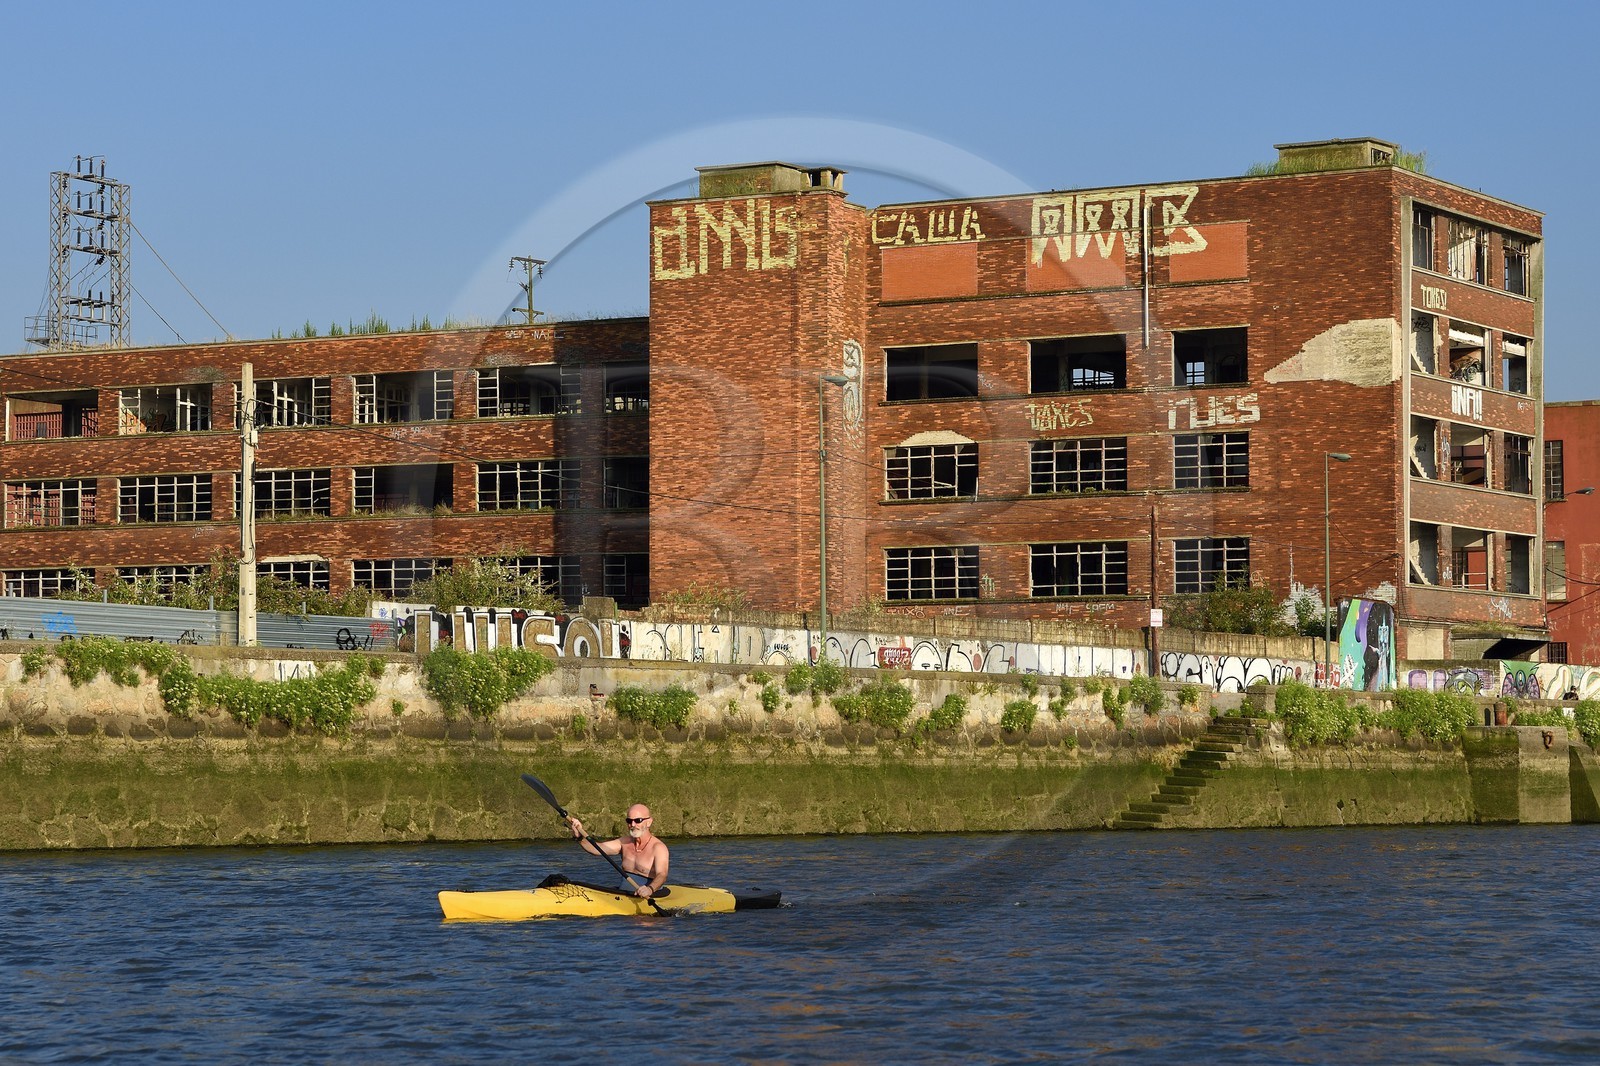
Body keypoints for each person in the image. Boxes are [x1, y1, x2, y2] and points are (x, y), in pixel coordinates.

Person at [566, 803, 670, 898]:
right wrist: (579, 837)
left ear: (649, 822)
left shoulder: (658, 848)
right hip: (624, 895)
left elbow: (662, 875)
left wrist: (649, 889)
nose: (632, 825)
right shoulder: (624, 842)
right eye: (629, 821)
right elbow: (596, 849)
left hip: (650, 895)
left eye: (638, 820)